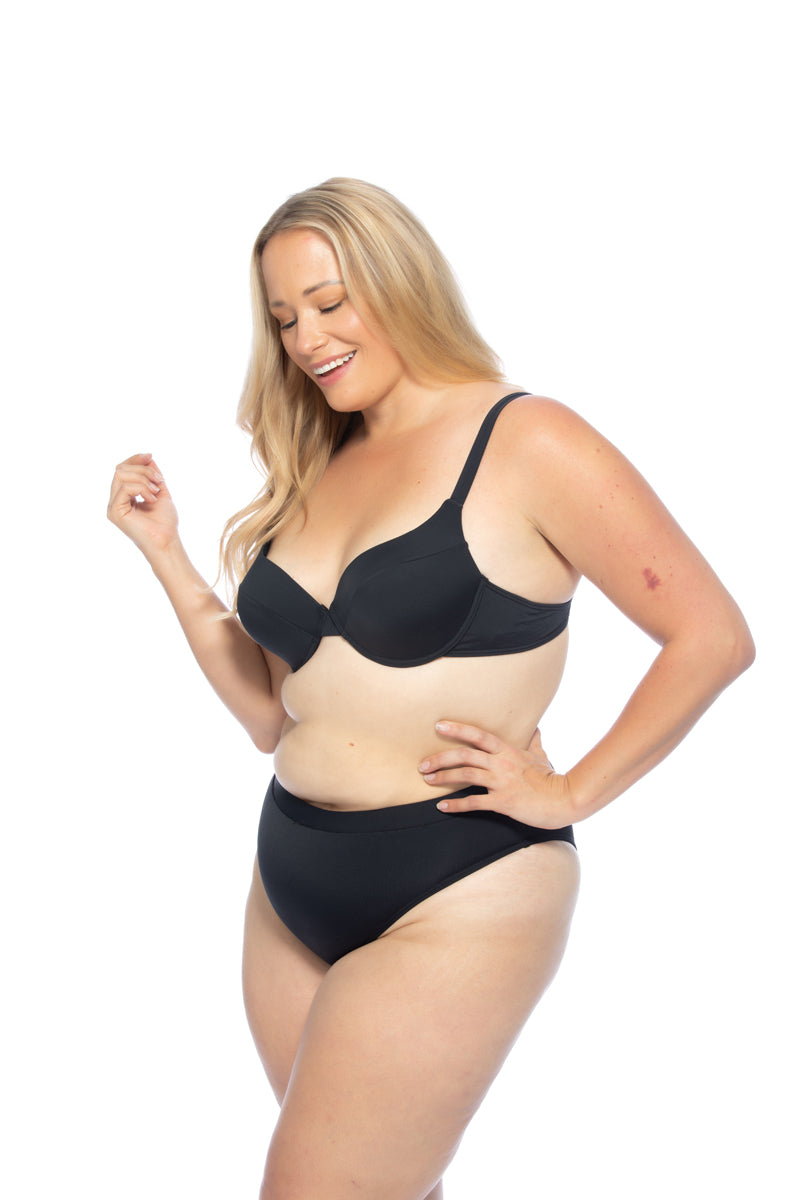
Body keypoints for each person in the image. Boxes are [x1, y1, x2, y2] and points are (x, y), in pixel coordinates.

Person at [107, 177, 754, 1200]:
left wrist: (569, 792)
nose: (307, 340)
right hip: (290, 880)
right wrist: (166, 555)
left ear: (400, 281)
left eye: (330, 303)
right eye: (284, 318)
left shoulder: (528, 440)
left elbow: (710, 636)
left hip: (460, 883)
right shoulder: (320, 457)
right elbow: (270, 715)